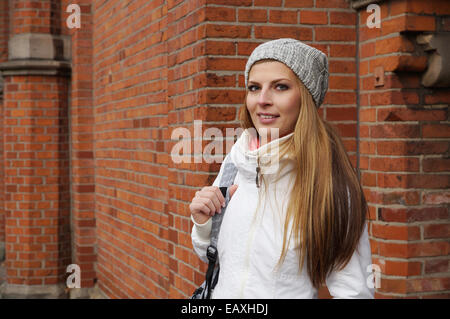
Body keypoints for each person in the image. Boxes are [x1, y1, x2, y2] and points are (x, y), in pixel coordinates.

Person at [190, 38, 374, 298]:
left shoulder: (329, 186)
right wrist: (203, 224)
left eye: (280, 86)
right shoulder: (236, 162)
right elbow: (214, 256)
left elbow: (354, 291)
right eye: (254, 88)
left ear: (306, 99)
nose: (262, 100)